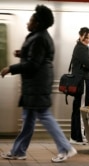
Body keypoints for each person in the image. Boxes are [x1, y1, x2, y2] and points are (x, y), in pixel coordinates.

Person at [0, 5, 77, 162]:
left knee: (44, 115)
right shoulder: (39, 36)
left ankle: (66, 148)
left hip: (37, 84)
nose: (28, 22)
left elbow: (33, 64)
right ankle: (18, 151)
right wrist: (22, 53)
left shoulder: (40, 38)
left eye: (31, 20)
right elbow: (37, 56)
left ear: (38, 23)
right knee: (28, 119)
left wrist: (10, 68)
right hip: (35, 84)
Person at [69, 27, 89, 145]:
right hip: (83, 82)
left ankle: (75, 136)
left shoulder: (79, 48)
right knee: (82, 109)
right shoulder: (81, 48)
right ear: (80, 36)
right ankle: (79, 137)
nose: (88, 40)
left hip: (80, 82)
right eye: (86, 37)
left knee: (78, 108)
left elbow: (88, 65)